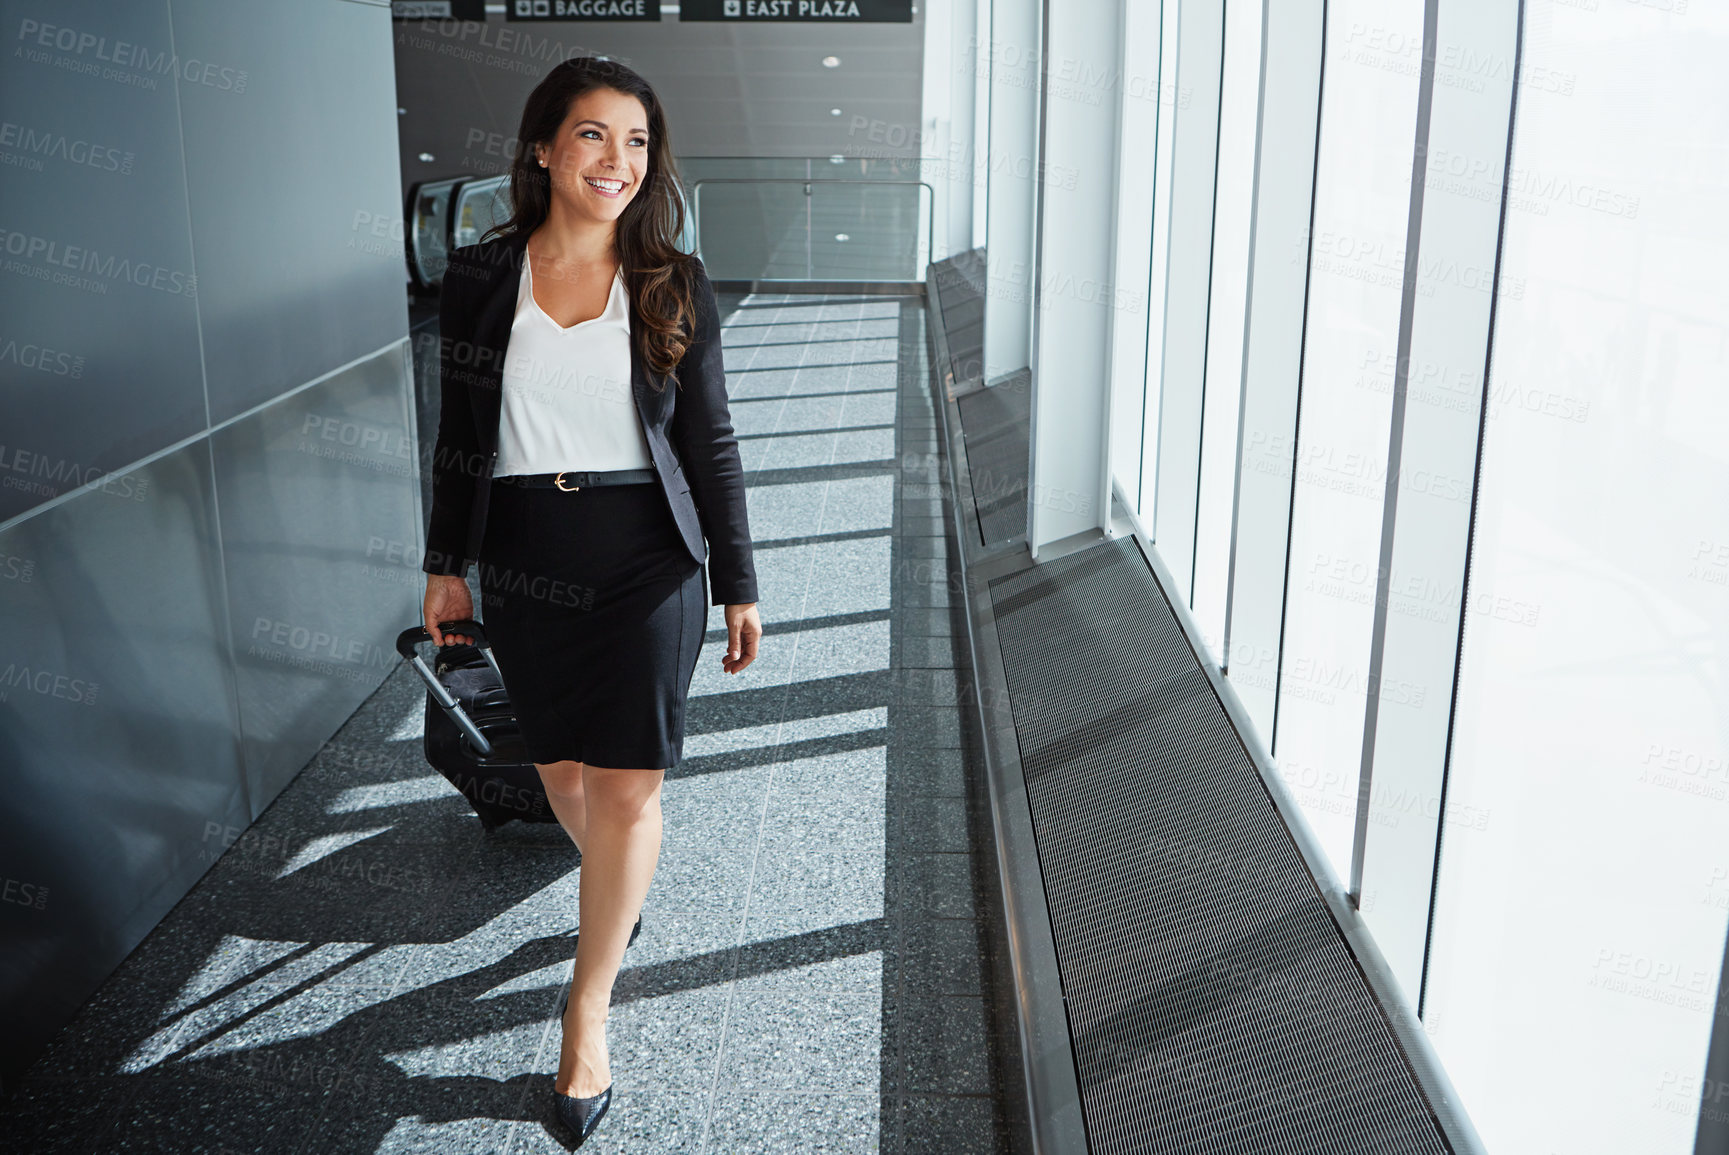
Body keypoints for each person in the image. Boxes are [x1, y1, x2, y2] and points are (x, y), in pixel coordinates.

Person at [418, 56, 761, 1146]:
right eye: (594, 137)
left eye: (638, 143)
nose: (619, 161)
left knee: (623, 792)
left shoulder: (673, 280)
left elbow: (710, 443)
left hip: (645, 558)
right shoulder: (481, 280)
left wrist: (740, 581)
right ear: (543, 149)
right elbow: (462, 439)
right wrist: (445, 564)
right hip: (523, 553)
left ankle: (587, 1009)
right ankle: (620, 886)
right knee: (563, 773)